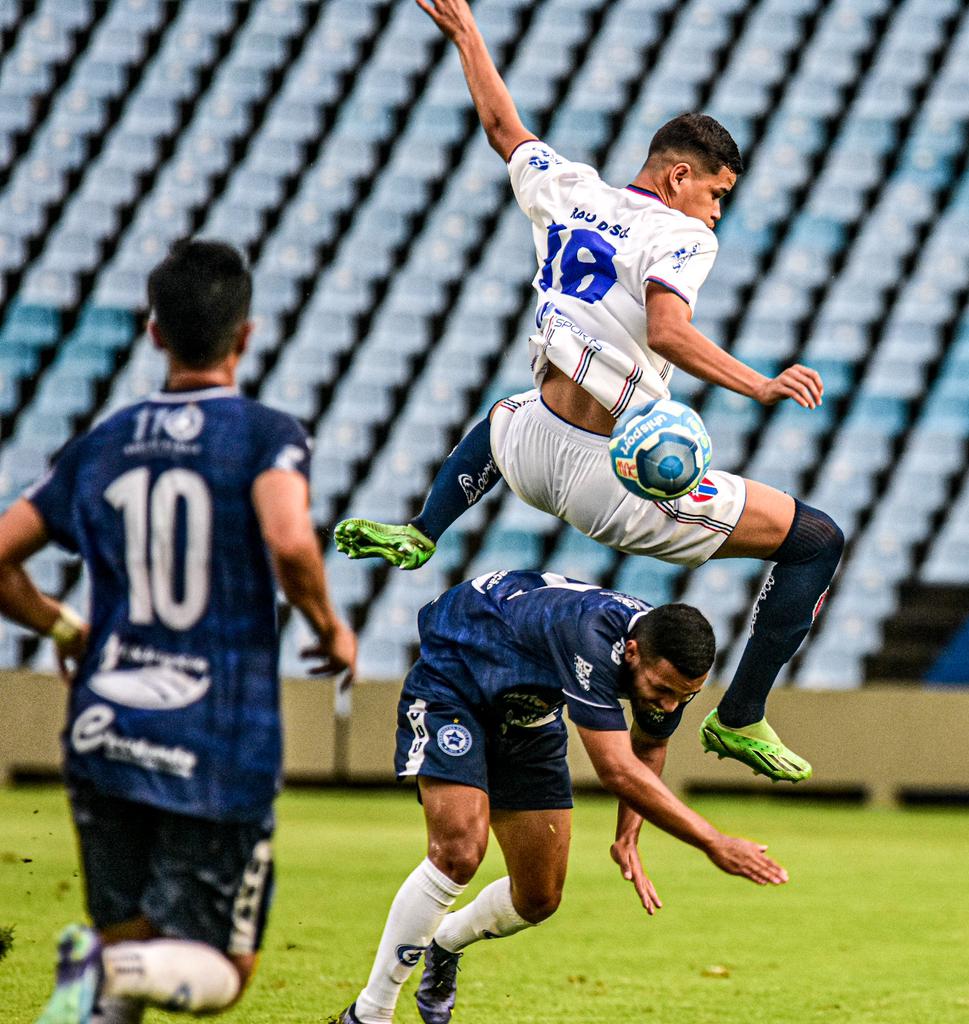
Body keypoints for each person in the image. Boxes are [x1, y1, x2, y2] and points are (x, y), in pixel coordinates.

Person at [335, 0, 844, 784]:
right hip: (617, 474)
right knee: (814, 539)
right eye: (717, 193)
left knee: (508, 411)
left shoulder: (569, 189)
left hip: (533, 451)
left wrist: (467, 34)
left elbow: (504, 127)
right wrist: (760, 385)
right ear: (681, 177)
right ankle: (740, 716)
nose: (717, 211)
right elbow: (669, 332)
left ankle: (425, 528)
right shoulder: (680, 234)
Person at [2, 239, 358, 1024]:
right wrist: (331, 629)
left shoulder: (103, 442)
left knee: (126, 969)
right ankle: (99, 966)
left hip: (103, 725)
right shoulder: (265, 434)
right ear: (247, 335)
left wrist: (63, 627)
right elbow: (292, 538)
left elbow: (1, 556)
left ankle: (102, 972)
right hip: (216, 739)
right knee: (219, 974)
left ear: (154, 332)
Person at [330, 569, 787, 1024]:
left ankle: (444, 941)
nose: (669, 705)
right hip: (456, 687)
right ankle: (370, 1013)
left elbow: (648, 745)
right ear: (631, 653)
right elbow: (617, 770)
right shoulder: (590, 635)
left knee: (538, 898)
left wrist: (627, 835)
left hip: (531, 712)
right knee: (460, 852)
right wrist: (713, 841)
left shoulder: (668, 663)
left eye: (684, 696)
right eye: (663, 691)